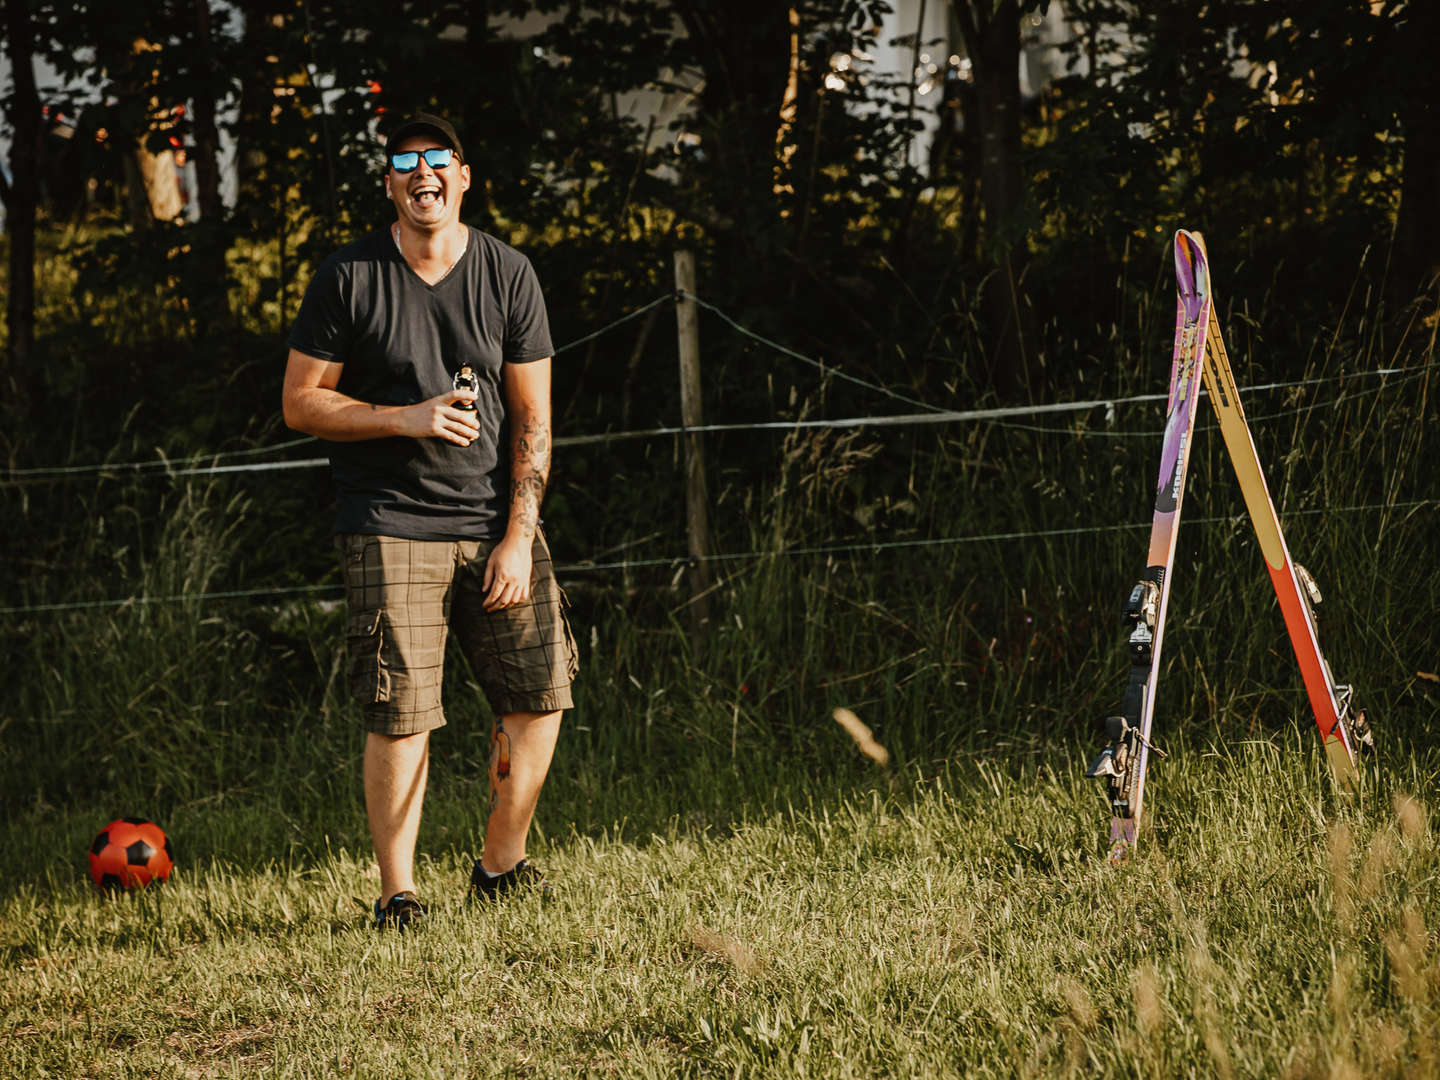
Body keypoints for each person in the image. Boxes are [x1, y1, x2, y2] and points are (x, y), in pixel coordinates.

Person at [281, 112, 577, 932]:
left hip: (493, 523)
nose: (423, 176)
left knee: (540, 694)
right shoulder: (349, 276)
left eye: (437, 162)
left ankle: (500, 865)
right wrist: (402, 418)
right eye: (406, 164)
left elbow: (534, 419)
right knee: (402, 712)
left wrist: (518, 537)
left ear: (464, 175)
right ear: (389, 184)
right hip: (389, 520)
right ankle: (398, 894)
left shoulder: (508, 273)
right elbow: (300, 402)